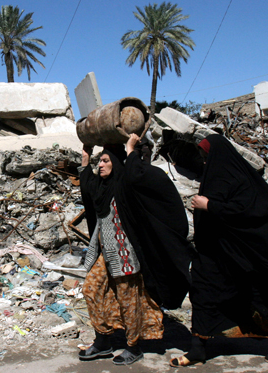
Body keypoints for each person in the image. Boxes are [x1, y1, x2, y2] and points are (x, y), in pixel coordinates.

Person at [170, 134, 268, 367]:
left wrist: (210, 206)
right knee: (203, 293)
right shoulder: (214, 178)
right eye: (203, 158)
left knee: (262, 297)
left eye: (206, 157)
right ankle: (198, 349)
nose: (204, 163)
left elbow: (253, 212)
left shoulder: (241, 180)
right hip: (216, 254)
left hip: (245, 254)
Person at [78, 134, 194, 365]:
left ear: (117, 163)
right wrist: (85, 156)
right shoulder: (102, 188)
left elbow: (141, 175)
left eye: (105, 161)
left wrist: (133, 149)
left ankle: (133, 346)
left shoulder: (125, 186)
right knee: (91, 289)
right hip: (105, 254)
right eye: (99, 161)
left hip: (125, 255)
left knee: (128, 300)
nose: (100, 165)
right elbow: (87, 184)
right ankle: (103, 340)